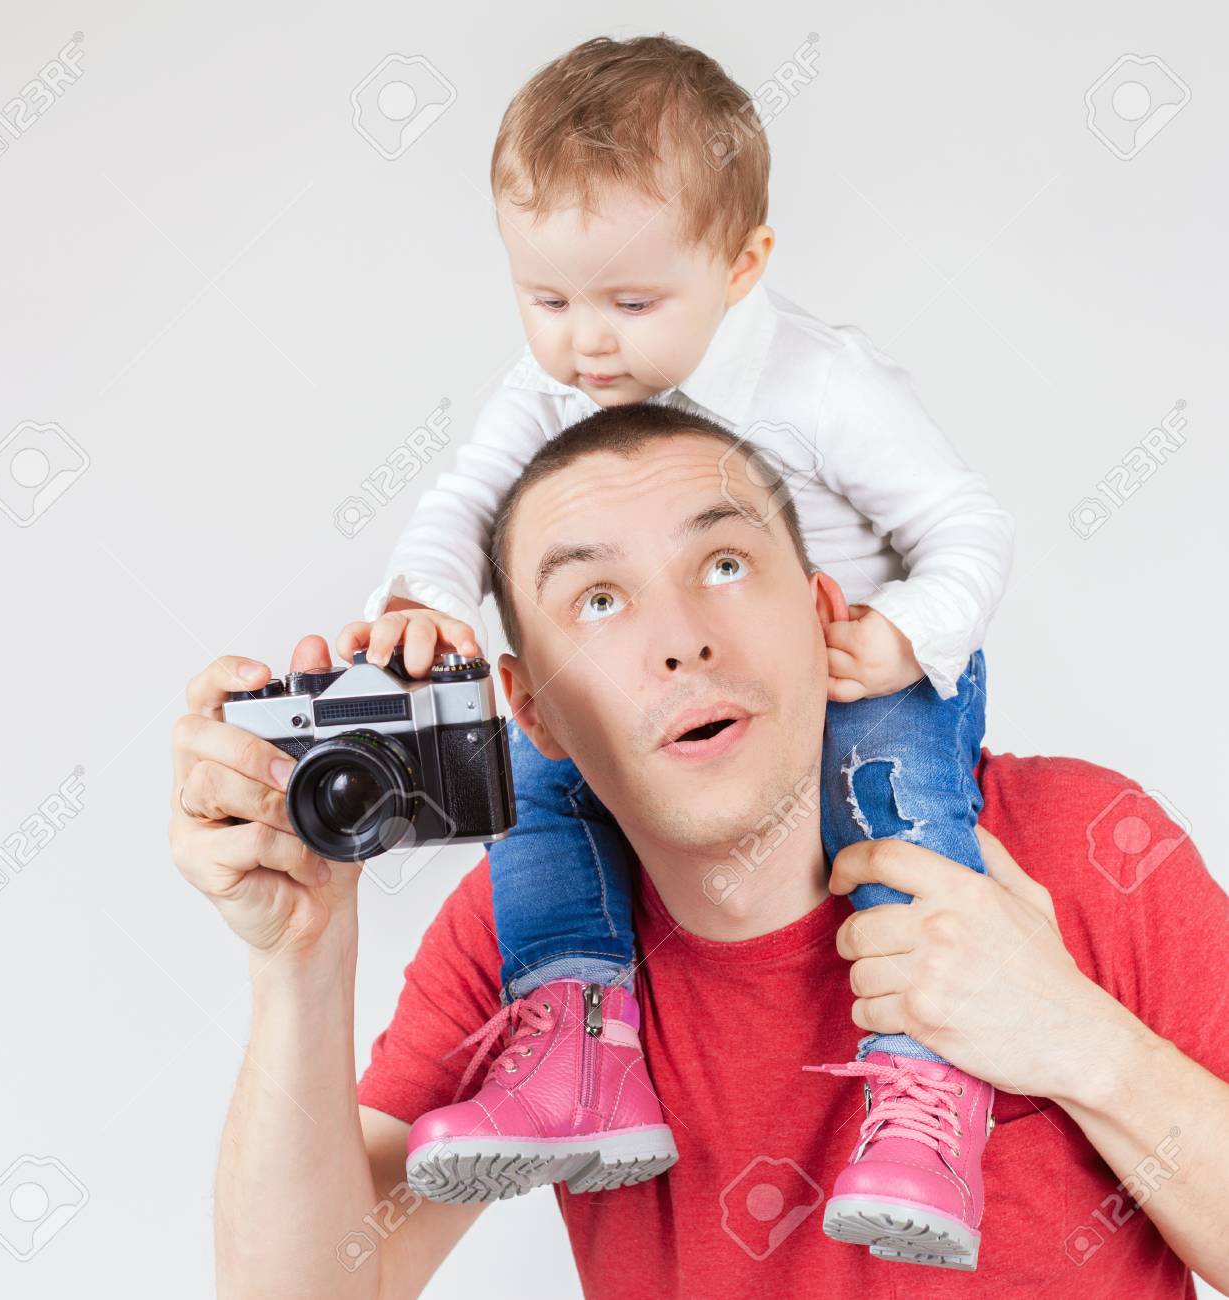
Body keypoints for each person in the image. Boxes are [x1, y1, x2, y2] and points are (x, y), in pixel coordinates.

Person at [171, 409, 1229, 1299]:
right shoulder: (523, 936)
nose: (679, 638)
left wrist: (1082, 1045)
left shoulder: (1073, 844)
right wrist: (298, 959)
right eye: (597, 598)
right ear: (530, 711)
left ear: (824, 615)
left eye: (722, 564)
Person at [341, 33, 1014, 1264]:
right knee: (542, 792)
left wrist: (905, 634)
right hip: (683, 707)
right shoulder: (554, 386)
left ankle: (927, 1098)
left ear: (745, 264)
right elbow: (462, 493)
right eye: (545, 302)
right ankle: (579, 1044)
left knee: (901, 830)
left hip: (858, 673)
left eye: (629, 303)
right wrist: (424, 595)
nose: (584, 345)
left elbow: (965, 522)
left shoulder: (819, 382)